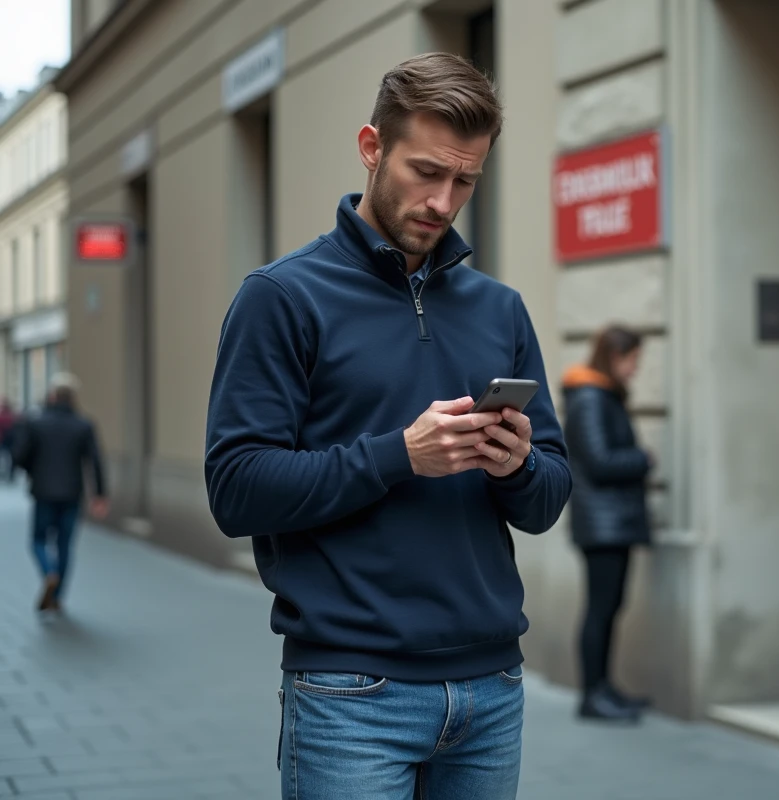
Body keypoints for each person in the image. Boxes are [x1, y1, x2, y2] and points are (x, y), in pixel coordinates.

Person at [204, 52, 571, 800]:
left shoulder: (499, 309)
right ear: (372, 148)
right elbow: (237, 489)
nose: (442, 201)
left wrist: (518, 466)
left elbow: (548, 500)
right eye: (424, 171)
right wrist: (399, 455)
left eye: (464, 181)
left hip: (492, 689)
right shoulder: (281, 298)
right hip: (350, 694)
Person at [562, 325, 654, 723]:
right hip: (602, 524)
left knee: (609, 607)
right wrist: (643, 459)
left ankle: (604, 689)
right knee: (600, 609)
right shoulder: (590, 399)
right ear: (613, 357)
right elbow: (600, 462)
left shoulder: (601, 396)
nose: (635, 368)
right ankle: (591, 695)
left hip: (611, 521)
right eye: (631, 359)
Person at [9, 374, 109, 614]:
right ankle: (58, 594)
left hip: (43, 491)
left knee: (38, 540)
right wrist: (100, 494)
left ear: (52, 395)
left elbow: (19, 455)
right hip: (72, 493)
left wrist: (32, 471)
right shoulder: (84, 424)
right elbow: (95, 461)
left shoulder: (36, 422)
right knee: (65, 544)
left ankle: (48, 572)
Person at [0, 397, 18, 481]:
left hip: (2, 439)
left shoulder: (2, 416)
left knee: (3, 456)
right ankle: (11, 473)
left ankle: (4, 473)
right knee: (12, 457)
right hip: (12, 440)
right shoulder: (14, 416)